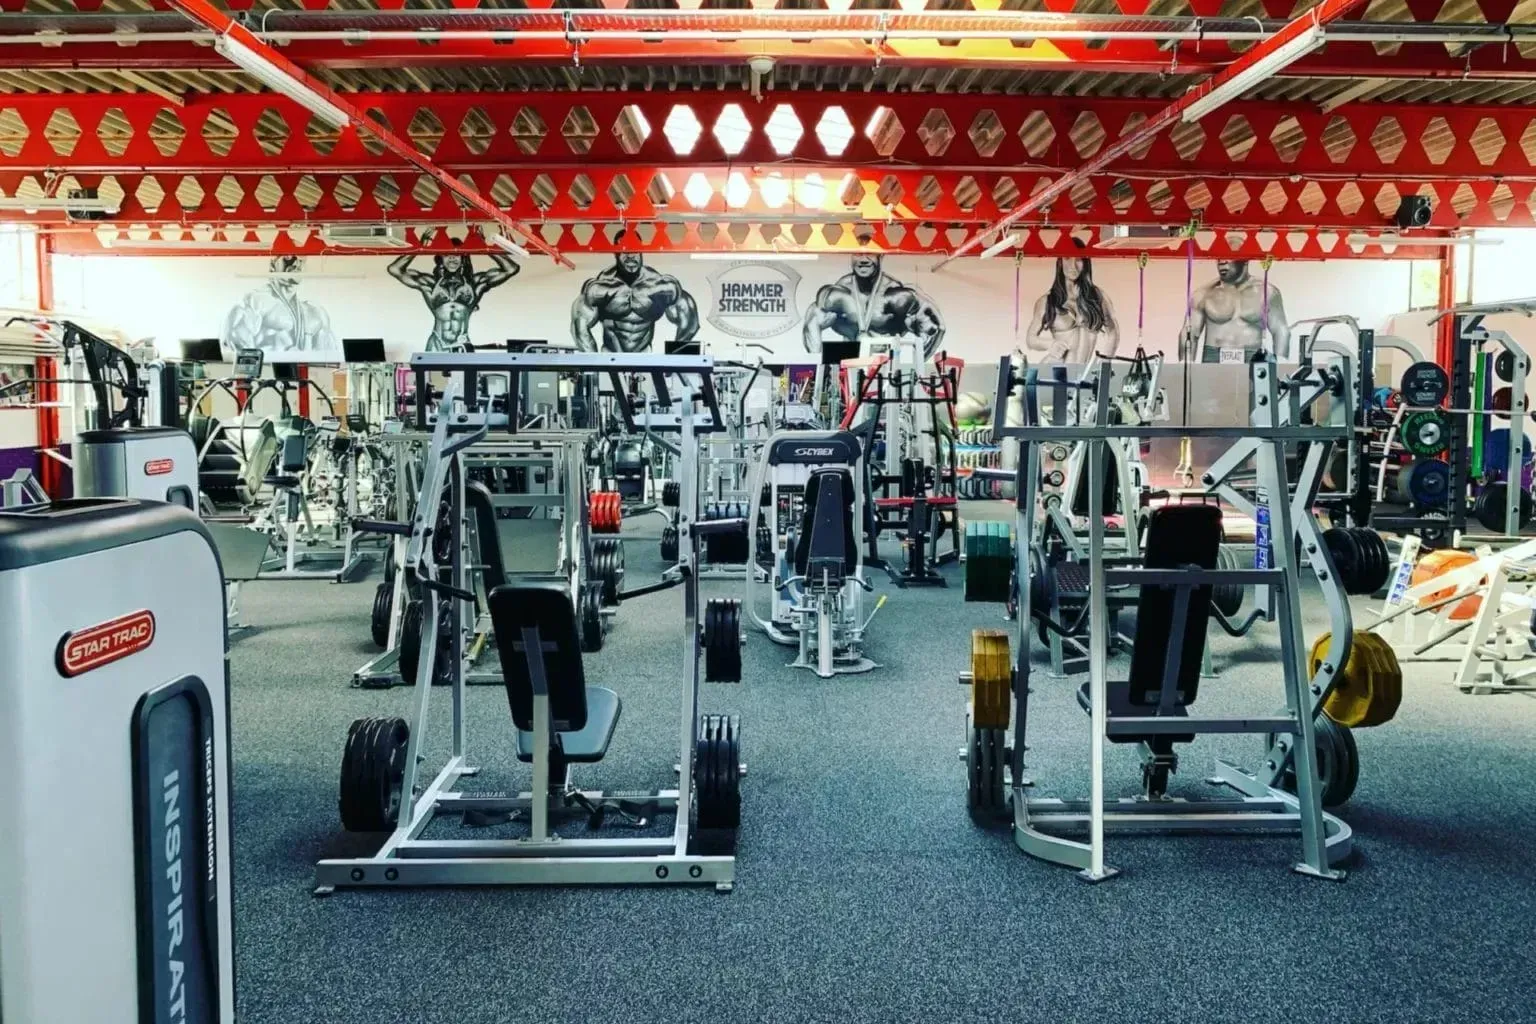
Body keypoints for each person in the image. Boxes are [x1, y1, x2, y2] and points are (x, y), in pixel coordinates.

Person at [801, 254, 945, 360]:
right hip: (850, 362)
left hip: (885, 364)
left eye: (869, 254)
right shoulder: (836, 296)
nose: (863, 260)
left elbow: (938, 328)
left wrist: (914, 371)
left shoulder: (899, 297)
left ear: (880, 256)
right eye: (857, 254)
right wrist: (819, 368)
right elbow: (812, 323)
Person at [389, 247, 519, 352]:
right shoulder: (430, 284)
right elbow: (394, 269)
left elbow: (511, 269)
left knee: (466, 383)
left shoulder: (474, 284)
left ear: (463, 259)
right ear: (440, 259)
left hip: (462, 344)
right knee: (430, 382)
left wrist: (484, 246)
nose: (452, 258)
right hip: (437, 343)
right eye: (447, 254)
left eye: (456, 254)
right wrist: (419, 247)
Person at [570, 249, 700, 353]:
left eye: (636, 251)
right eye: (625, 251)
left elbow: (690, 323)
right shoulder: (599, 288)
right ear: (615, 253)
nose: (631, 256)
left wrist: (674, 361)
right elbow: (579, 329)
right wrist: (595, 368)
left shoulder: (660, 285)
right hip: (609, 356)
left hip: (644, 356)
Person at [1178, 259, 1291, 364]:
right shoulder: (1203, 294)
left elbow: (1281, 330)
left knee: (1254, 385)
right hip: (1213, 355)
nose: (1222, 262)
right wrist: (1185, 366)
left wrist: (1279, 366)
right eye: (1219, 258)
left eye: (1228, 257)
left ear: (1245, 260)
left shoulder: (1268, 292)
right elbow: (1190, 332)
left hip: (1252, 355)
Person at [222, 255, 338, 356]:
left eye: (301, 259)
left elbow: (328, 359)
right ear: (273, 266)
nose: (296, 263)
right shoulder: (256, 302)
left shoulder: (315, 312)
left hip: (303, 377)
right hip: (267, 377)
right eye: (288, 258)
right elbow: (237, 346)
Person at [1025, 256, 1119, 363]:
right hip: (1054, 371)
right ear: (1060, 262)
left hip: (1082, 373)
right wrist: (1050, 344)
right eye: (1067, 258)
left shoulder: (1097, 296)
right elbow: (1030, 339)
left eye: (1079, 259)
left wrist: (1104, 363)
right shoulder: (1047, 301)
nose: (1073, 265)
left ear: (1085, 262)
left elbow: (1113, 332)